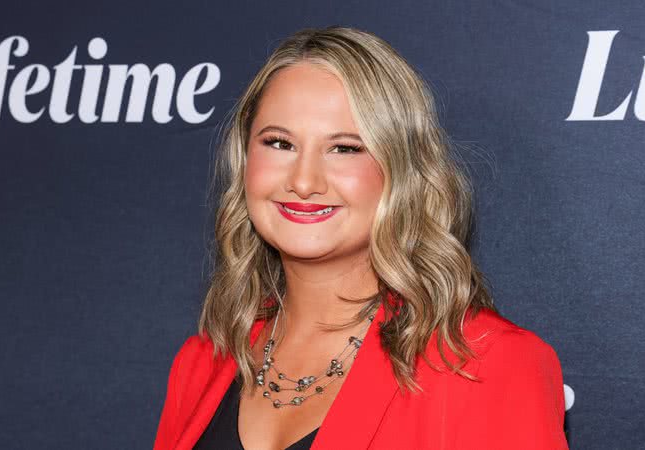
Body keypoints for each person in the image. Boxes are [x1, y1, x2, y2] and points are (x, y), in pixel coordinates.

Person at [153, 26, 568, 450]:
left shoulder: (489, 362)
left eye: (345, 148)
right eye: (279, 143)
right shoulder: (203, 361)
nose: (303, 180)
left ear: (401, 171)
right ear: (245, 158)